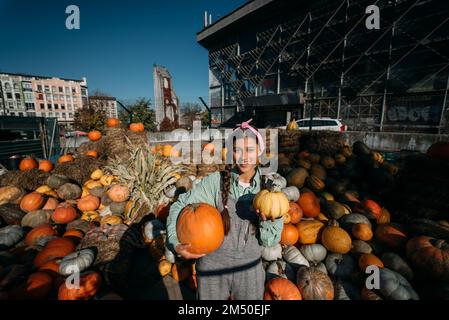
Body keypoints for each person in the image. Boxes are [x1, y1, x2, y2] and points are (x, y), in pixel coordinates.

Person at [166, 119, 284, 300]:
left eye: (250, 150)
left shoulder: (270, 190)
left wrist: (267, 222)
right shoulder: (216, 181)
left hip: (249, 269)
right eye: (237, 150)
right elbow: (180, 204)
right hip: (213, 268)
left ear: (259, 152)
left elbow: (268, 242)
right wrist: (175, 242)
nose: (244, 157)